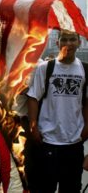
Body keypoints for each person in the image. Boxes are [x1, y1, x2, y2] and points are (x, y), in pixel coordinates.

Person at [27, 30, 88, 193]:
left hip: (74, 144)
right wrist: (33, 127)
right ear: (57, 43)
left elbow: (86, 103)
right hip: (48, 142)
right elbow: (33, 97)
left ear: (79, 43)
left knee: (71, 189)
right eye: (65, 39)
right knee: (44, 188)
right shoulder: (45, 68)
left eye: (73, 40)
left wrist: (86, 130)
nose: (68, 44)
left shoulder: (85, 70)